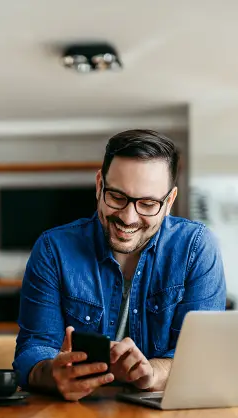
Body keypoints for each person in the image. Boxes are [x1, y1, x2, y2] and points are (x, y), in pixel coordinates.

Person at [12, 129, 227, 401]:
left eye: (148, 203)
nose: (128, 217)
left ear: (169, 201)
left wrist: (153, 372)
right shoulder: (53, 249)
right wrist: (51, 373)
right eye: (116, 197)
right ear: (100, 184)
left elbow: (203, 357)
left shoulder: (196, 248)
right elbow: (33, 350)